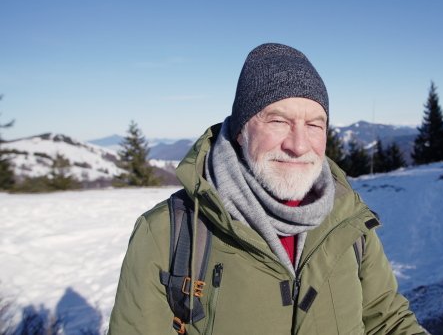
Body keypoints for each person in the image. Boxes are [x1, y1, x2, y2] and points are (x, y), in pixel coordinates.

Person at [108, 43, 425, 334]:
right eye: (277, 121)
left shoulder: (348, 219)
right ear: (241, 132)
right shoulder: (167, 233)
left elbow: (387, 321)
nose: (299, 146)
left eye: (314, 125)